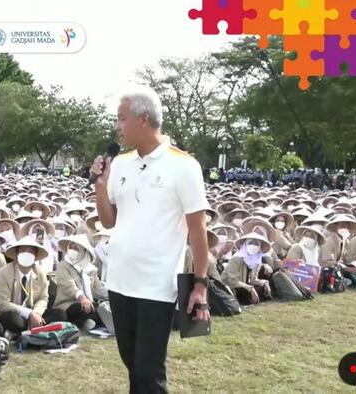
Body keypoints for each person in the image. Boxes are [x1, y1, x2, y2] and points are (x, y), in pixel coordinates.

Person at [89, 86, 210, 393]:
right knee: (131, 363)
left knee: (149, 370)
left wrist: (200, 284)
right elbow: (108, 220)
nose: (117, 126)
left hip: (157, 285)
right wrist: (100, 186)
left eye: (121, 118)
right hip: (119, 280)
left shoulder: (183, 166)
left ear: (143, 119)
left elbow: (197, 229)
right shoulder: (122, 164)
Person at [0, 238, 60, 337]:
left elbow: (43, 298)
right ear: (17, 254)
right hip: (13, 313)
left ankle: (21, 331)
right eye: (23, 251)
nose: (27, 254)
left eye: (31, 251)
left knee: (60, 314)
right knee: (12, 319)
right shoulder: (4, 273)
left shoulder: (39, 273)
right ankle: (34, 329)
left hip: (33, 311)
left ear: (35, 256)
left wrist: (36, 313)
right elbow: (2, 303)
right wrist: (29, 313)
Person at [52, 234, 110, 331]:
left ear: (83, 251)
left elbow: (99, 290)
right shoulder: (63, 266)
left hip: (89, 304)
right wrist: (82, 297)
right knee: (89, 309)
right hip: (69, 304)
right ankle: (83, 322)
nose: (72, 250)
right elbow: (68, 286)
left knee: (103, 308)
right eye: (70, 246)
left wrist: (113, 296)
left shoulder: (90, 270)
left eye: (76, 248)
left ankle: (86, 322)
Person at [221, 233, 274, 305]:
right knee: (246, 292)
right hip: (232, 286)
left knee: (264, 287)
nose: (253, 246)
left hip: (245, 285)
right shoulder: (236, 258)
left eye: (256, 244)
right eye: (251, 243)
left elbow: (253, 280)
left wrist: (264, 283)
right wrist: (250, 288)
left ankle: (253, 298)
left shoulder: (256, 259)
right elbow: (233, 281)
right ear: (245, 245)